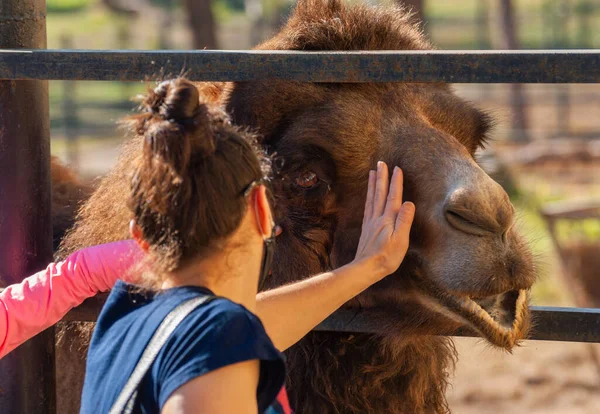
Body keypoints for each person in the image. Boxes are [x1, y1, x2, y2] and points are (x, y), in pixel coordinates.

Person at [1, 78, 415, 414]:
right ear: (261, 207)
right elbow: (220, 341)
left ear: (140, 235)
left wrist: (367, 268)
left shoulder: (126, 314)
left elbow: (244, 327)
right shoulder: (216, 340)